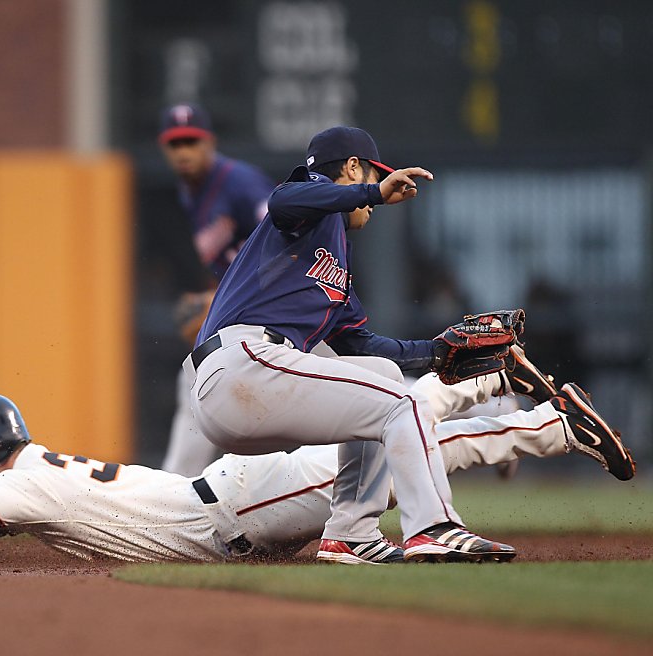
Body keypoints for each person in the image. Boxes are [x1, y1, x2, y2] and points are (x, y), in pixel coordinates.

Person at [183, 126, 635, 564]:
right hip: (242, 363)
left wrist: (439, 352)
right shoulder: (305, 204)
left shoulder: (337, 266)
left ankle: (350, 534)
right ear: (353, 167)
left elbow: (363, 345)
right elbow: (287, 198)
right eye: (375, 174)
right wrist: (371, 193)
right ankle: (433, 528)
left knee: (383, 379)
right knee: (403, 403)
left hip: (248, 384)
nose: (380, 192)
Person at [0, 366, 630, 566]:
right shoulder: (26, 480)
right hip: (240, 509)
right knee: (389, 429)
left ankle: (547, 420)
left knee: (400, 439)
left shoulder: (17, 482)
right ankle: (485, 376)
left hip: (242, 507)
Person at [156, 103, 276, 476]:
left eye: (192, 141)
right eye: (176, 144)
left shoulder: (240, 183)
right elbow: (233, 257)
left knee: (372, 381)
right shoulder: (190, 191)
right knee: (194, 377)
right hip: (255, 312)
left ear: (210, 143)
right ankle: (174, 489)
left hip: (291, 305)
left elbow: (287, 244)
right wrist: (219, 294)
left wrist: (219, 300)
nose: (184, 151)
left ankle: (455, 396)